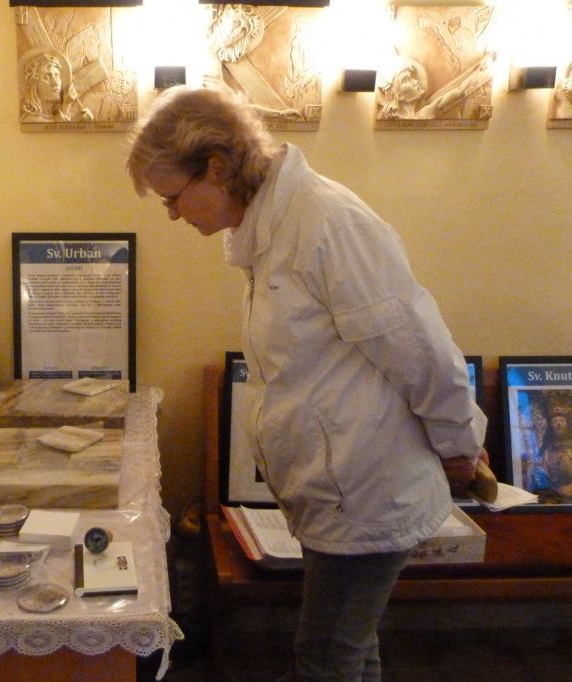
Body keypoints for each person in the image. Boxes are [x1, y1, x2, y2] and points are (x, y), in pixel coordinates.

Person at [126, 86, 488, 682]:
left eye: (172, 197)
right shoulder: (271, 230)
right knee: (350, 648)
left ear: (216, 166)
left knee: (324, 658)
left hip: (367, 487)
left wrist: (460, 443)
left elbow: (421, 349)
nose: (172, 214)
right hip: (340, 485)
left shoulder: (326, 222)